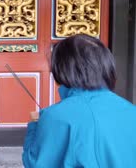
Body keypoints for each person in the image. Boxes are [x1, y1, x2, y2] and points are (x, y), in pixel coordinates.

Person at [22, 34, 136, 167]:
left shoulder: (56, 117)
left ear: (63, 69)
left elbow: (36, 163)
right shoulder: (131, 110)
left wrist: (35, 127)